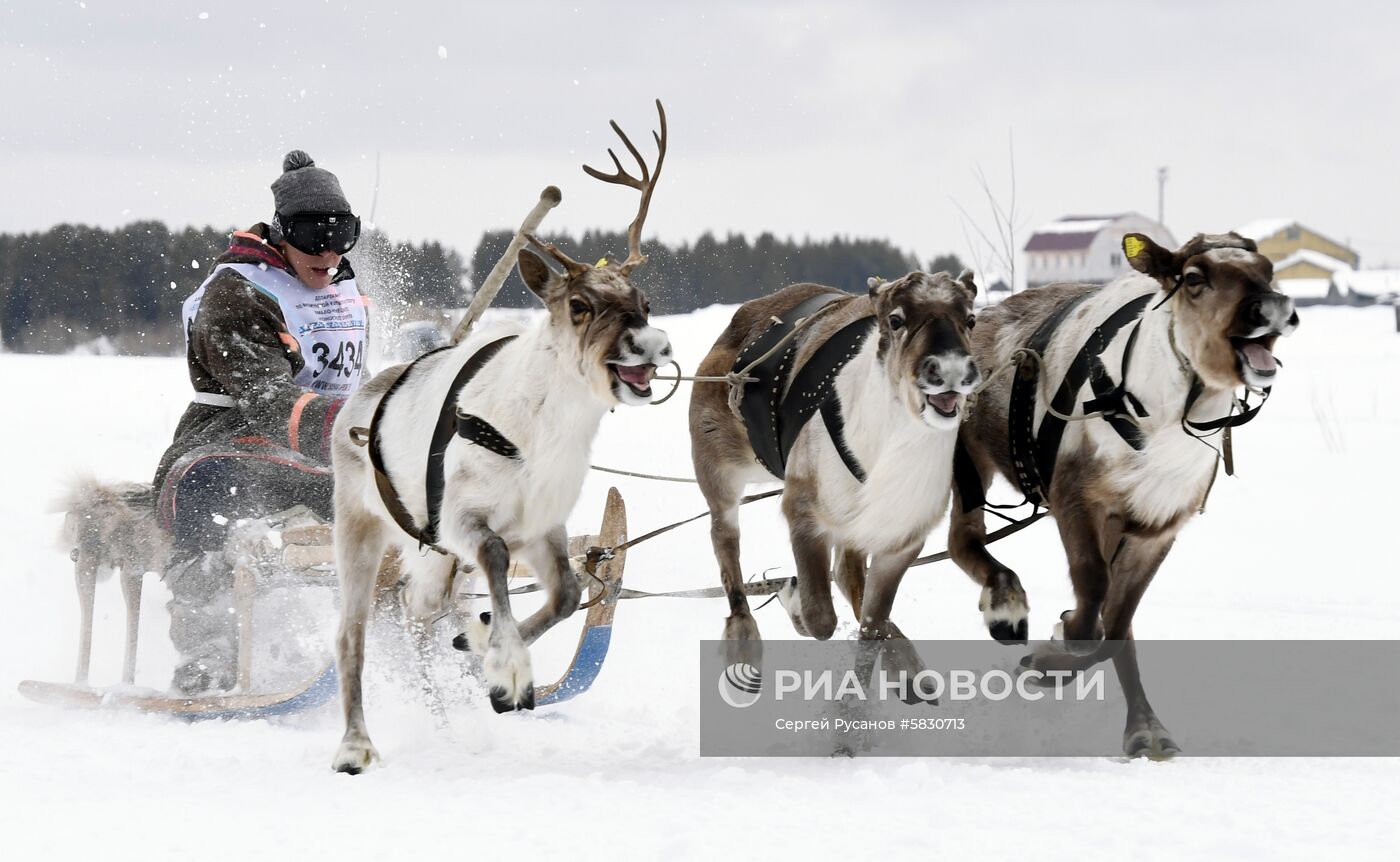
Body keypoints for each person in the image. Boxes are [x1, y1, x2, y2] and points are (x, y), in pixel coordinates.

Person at [153, 150, 369, 695]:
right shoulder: (237, 292)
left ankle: (429, 633)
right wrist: (358, 429)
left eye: (341, 234)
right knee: (212, 493)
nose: (327, 252)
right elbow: (268, 400)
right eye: (311, 235)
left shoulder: (343, 289)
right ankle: (209, 653)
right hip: (228, 442)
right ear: (279, 233)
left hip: (330, 451)